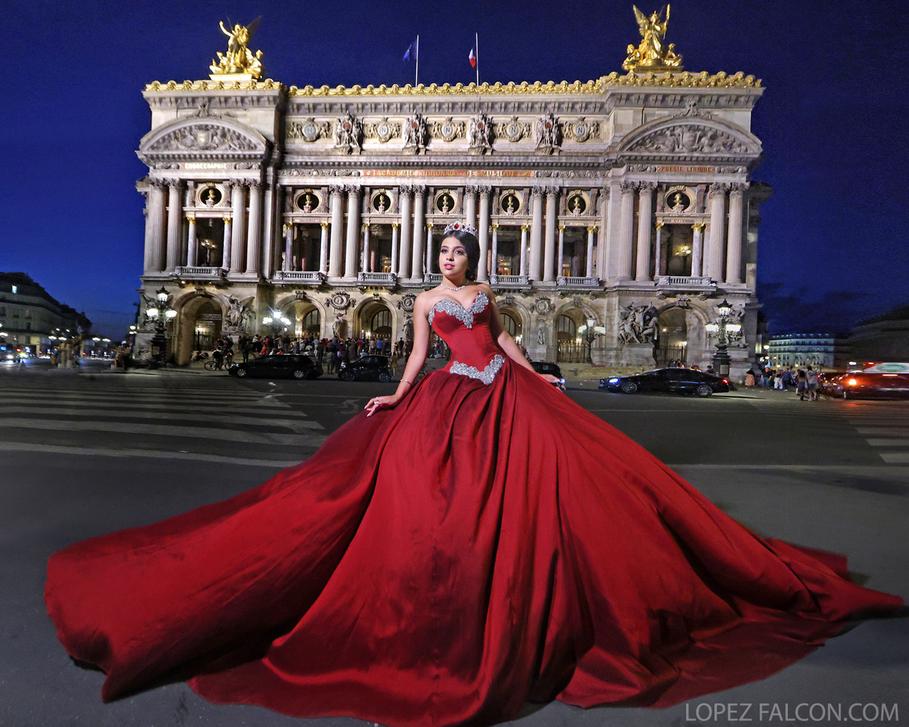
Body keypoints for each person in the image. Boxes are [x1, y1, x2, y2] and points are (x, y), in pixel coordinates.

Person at [43, 220, 905, 727]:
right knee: (426, 498)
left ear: (471, 257)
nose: (451, 262)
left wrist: (536, 375)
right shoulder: (421, 301)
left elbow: (507, 343)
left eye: (459, 251)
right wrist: (390, 399)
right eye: (445, 253)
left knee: (578, 485)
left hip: (502, 390)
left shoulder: (491, 293)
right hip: (448, 393)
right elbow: (416, 355)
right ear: (435, 260)